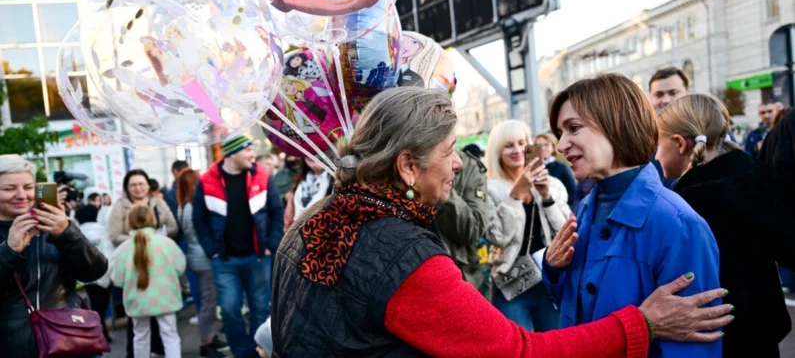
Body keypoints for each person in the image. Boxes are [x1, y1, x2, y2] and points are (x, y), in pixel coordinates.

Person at [270, 87, 732, 357]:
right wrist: (641, 324)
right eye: (451, 151)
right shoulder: (401, 256)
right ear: (408, 166)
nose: (458, 164)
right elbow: (518, 351)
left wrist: (550, 267)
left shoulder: (314, 219)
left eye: (575, 128)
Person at [544, 74, 723, 357]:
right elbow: (577, 307)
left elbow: (693, 347)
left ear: (616, 124)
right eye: (560, 133)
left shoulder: (678, 224)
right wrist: (553, 269)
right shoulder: (587, 208)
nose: (561, 144)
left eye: (573, 128)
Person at [656, 94, 790, 357]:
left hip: (715, 341)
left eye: (657, 143)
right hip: (763, 333)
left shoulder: (684, 206)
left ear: (679, 143)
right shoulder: (754, 177)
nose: (656, 154)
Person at [0, 155, 108, 357]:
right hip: (14, 347)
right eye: (9, 188)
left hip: (68, 341)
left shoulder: (54, 222)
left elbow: (95, 271)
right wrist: (9, 251)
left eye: (28, 187)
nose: (22, 195)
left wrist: (67, 233)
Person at [193, 135, 285, 358]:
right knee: (229, 310)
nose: (252, 155)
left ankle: (259, 352)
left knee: (260, 310)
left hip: (258, 258)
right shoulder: (207, 180)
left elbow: (276, 211)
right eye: (248, 150)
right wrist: (210, 249)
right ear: (232, 153)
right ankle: (242, 353)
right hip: (224, 260)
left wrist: (271, 245)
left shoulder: (262, 176)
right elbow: (199, 218)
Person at [485, 120, 570, 332]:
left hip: (548, 279)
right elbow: (498, 237)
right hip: (510, 283)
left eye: (522, 143)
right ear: (497, 151)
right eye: (508, 145)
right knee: (519, 347)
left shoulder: (552, 184)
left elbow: (565, 232)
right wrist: (515, 195)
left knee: (555, 345)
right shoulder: (490, 189)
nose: (517, 150)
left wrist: (546, 196)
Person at [108, 169, 179, 356]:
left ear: (148, 185)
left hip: (136, 293)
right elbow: (180, 266)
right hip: (163, 292)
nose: (138, 188)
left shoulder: (159, 203)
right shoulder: (119, 206)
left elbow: (117, 278)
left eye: (141, 183)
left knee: (141, 334)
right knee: (169, 333)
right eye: (133, 184)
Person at [177, 168, 227, 358]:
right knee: (209, 301)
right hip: (203, 257)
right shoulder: (192, 207)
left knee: (209, 299)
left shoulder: (183, 206)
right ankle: (206, 342)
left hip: (194, 255)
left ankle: (211, 336)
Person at [432, 146, 488, 290]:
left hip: (461, 277)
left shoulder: (469, 166)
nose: (457, 163)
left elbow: (473, 231)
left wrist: (442, 188)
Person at [76, 191, 114, 343]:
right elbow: (110, 253)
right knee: (103, 305)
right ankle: (103, 332)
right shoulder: (104, 230)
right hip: (105, 274)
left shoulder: (77, 232)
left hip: (88, 277)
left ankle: (98, 332)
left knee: (93, 306)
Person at [648, 67, 690, 189]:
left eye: (673, 93)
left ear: (687, 93)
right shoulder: (640, 142)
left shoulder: (712, 133)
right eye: (659, 94)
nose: (666, 100)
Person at [283, 157, 334, 230]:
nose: (314, 156)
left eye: (320, 151)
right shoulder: (299, 182)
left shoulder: (337, 182)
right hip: (297, 235)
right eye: (310, 152)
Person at [534, 132, 576, 209]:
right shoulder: (531, 169)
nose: (542, 148)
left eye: (546, 145)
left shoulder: (562, 168)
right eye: (538, 145)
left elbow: (573, 193)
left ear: (553, 148)